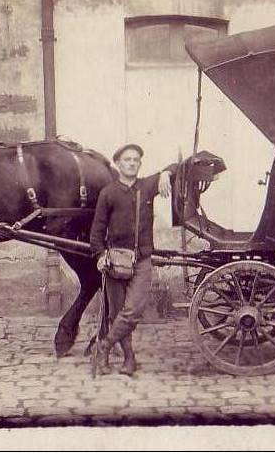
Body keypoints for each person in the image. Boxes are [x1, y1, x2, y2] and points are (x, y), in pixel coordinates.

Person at [89, 143, 174, 375]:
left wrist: (166, 173)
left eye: (136, 159)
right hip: (115, 260)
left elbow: (178, 167)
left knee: (133, 310)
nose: (132, 163)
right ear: (118, 163)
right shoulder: (108, 193)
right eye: (127, 159)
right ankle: (129, 359)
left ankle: (103, 347)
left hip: (142, 259)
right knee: (117, 313)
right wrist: (99, 255)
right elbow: (97, 230)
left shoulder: (147, 186)